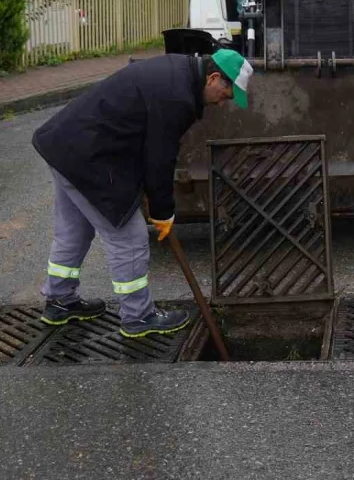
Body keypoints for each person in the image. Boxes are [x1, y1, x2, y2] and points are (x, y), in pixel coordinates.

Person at [32, 50, 253, 338]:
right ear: (213, 77)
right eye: (227, 92)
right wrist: (162, 212)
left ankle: (60, 300)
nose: (226, 101)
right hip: (88, 156)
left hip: (63, 143)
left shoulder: (179, 70)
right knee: (130, 238)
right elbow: (159, 158)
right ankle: (138, 317)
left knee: (74, 229)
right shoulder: (179, 97)